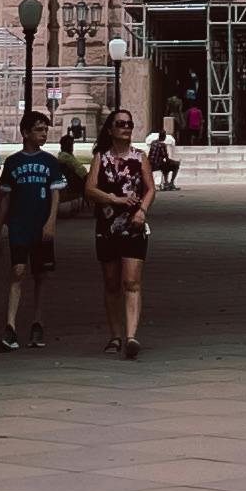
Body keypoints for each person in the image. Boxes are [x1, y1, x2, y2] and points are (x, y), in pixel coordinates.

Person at [0, 108, 64, 348]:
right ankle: (10, 326)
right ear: (25, 133)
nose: (44, 134)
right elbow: (5, 198)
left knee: (40, 275)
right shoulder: (13, 163)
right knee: (17, 272)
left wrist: (51, 222)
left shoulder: (50, 162)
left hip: (40, 225)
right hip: (19, 225)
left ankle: (37, 322)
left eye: (45, 130)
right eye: (38, 130)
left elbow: (55, 195)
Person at [93, 104, 155, 354]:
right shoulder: (101, 158)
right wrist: (114, 199)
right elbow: (90, 189)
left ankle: (131, 336)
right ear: (110, 130)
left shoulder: (140, 157)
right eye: (120, 124)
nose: (126, 128)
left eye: (129, 124)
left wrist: (142, 211)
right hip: (107, 226)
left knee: (131, 281)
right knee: (111, 282)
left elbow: (150, 188)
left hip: (134, 226)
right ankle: (115, 336)